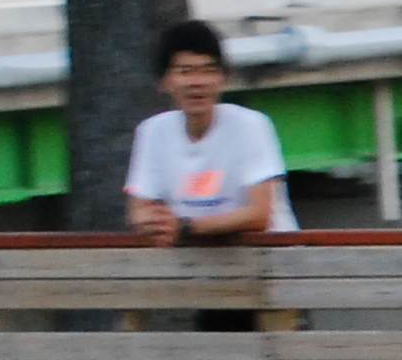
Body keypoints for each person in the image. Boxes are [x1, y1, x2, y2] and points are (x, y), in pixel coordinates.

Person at [122, 21, 296, 245]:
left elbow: (260, 215)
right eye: (185, 72)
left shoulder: (251, 125)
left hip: (270, 258)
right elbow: (139, 209)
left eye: (209, 71)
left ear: (224, 78)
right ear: (164, 80)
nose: (197, 82)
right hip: (193, 258)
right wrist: (150, 222)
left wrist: (186, 227)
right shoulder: (152, 131)